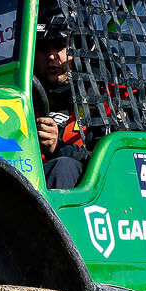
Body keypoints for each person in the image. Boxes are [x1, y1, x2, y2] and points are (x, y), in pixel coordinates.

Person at [31, 29, 89, 188]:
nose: (51, 57)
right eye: (43, 49)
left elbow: (111, 163)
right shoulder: (21, 99)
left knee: (63, 166)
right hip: (28, 182)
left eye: (59, 47)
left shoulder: (103, 99)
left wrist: (57, 147)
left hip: (85, 190)